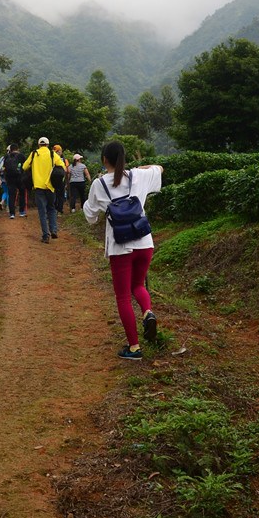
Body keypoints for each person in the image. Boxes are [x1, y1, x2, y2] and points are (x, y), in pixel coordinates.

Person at [83, 141, 162, 360]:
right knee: (138, 285)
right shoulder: (138, 175)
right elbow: (159, 168)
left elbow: (90, 217)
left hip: (120, 248)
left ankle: (134, 348)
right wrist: (140, 168)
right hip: (145, 242)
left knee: (123, 297)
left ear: (104, 159)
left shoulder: (99, 184)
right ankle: (147, 311)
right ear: (124, 159)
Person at [22, 137, 67, 243]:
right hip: (50, 187)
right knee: (51, 208)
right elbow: (62, 167)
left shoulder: (34, 154)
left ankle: (45, 236)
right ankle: (54, 230)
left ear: (39, 145)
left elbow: (24, 167)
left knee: (42, 212)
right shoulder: (52, 154)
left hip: (38, 187)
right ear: (47, 145)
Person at [2, 143, 27, 218]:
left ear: (10, 149)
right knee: (22, 194)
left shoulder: (6, 156)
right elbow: (25, 166)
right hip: (20, 177)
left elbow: (4, 168)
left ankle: (12, 213)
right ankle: (21, 212)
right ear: (17, 149)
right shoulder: (21, 156)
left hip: (10, 178)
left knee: (11, 195)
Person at [52, 144, 69, 214]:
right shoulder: (65, 160)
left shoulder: (52, 159)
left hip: (54, 180)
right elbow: (67, 171)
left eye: (57, 151)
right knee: (60, 195)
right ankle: (59, 209)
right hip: (61, 180)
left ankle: (56, 209)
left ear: (61, 152)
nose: (56, 153)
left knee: (55, 194)